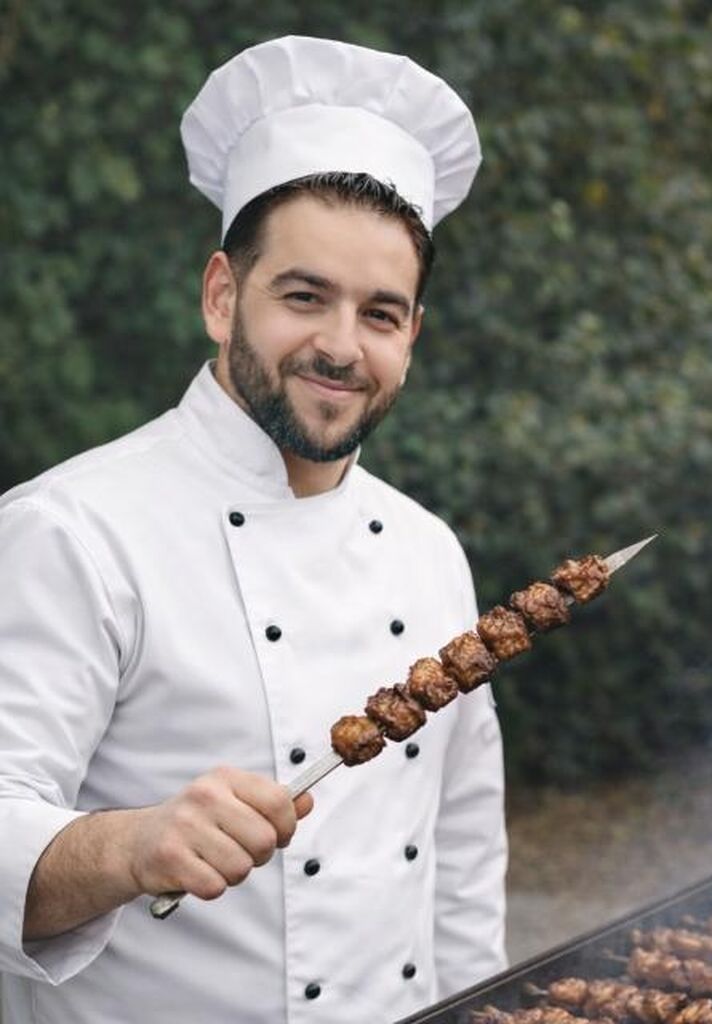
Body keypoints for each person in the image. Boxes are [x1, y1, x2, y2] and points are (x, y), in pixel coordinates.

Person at [0, 36, 507, 1024]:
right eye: (304, 296)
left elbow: (461, 847)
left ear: (412, 335)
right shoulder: (71, 532)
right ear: (222, 295)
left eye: (381, 313)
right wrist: (130, 846)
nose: (340, 346)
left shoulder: (427, 549)